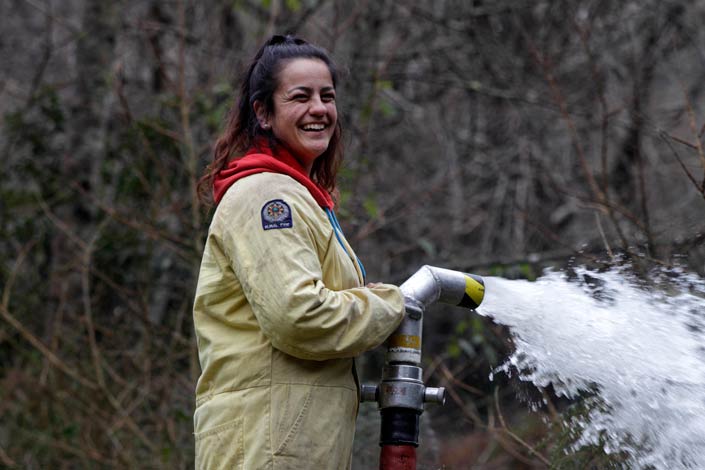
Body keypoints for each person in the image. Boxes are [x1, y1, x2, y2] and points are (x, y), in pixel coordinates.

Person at [192, 34, 406, 470]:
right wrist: (392, 305)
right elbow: (299, 316)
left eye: (327, 96)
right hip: (266, 443)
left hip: (288, 441)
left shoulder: (300, 197)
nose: (319, 109)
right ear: (263, 113)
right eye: (300, 96)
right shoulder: (268, 196)